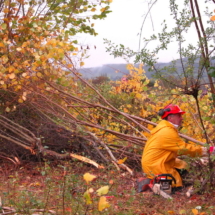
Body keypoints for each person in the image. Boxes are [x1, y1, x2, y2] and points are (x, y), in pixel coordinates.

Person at [139, 104, 215, 192]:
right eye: (179, 115)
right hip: (157, 165)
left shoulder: (165, 129)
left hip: (158, 162)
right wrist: (208, 150)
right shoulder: (166, 132)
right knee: (176, 188)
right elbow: (184, 149)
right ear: (170, 117)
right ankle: (161, 186)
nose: (181, 118)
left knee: (185, 166)